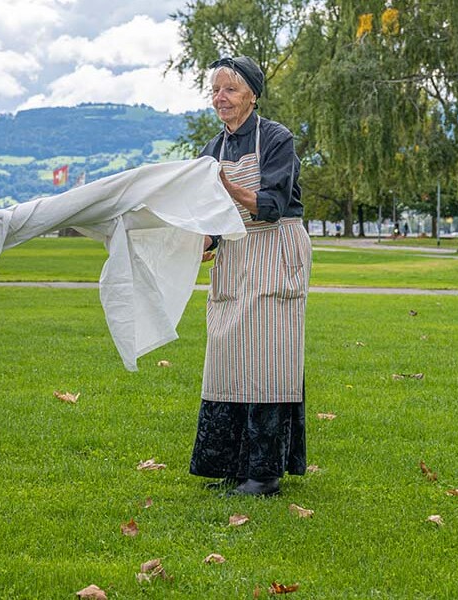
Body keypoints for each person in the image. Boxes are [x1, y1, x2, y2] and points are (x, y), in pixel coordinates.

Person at [190, 56, 311, 497]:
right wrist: (206, 243)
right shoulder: (212, 149)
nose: (221, 98)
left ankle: (264, 474)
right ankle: (231, 466)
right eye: (216, 90)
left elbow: (273, 204)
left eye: (231, 90)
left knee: (267, 359)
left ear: (252, 95)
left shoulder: (277, 138)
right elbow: (210, 215)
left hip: (275, 248)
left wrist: (225, 186)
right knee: (227, 357)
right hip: (236, 254)